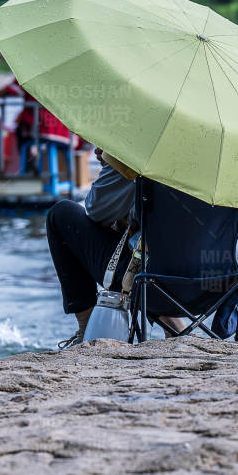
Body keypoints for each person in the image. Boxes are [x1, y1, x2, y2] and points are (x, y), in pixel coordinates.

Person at [46, 148, 137, 348]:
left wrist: (113, 160)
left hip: (144, 281)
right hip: (209, 287)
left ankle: (87, 331)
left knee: (61, 215)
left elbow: (97, 212)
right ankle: (173, 329)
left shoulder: (136, 150)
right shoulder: (215, 163)